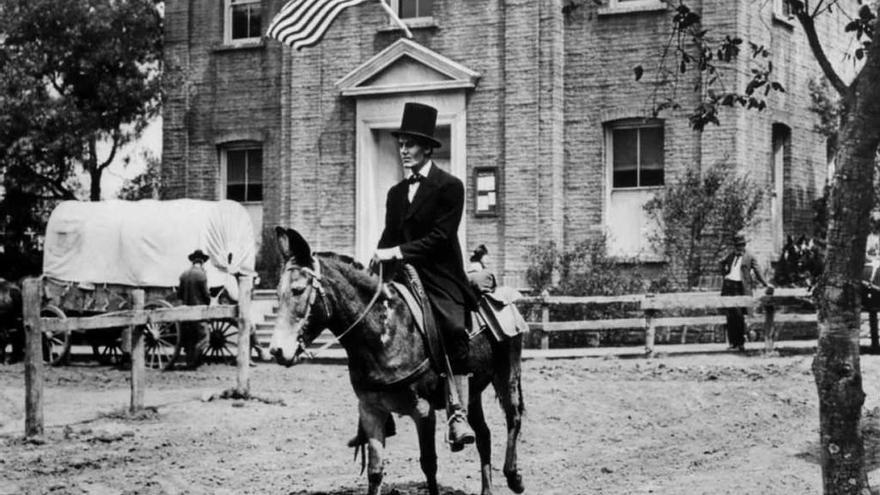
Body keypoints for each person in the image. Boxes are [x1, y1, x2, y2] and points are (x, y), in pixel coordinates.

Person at [372, 102, 477, 451]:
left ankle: (457, 412)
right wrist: (375, 260)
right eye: (401, 143)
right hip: (404, 275)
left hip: (440, 273)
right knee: (375, 323)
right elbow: (389, 237)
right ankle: (381, 403)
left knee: (450, 328)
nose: (404, 150)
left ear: (428, 147)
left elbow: (440, 237)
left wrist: (399, 252)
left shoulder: (450, 186)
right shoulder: (395, 193)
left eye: (411, 144)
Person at [719, 233, 771, 351]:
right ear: (735, 246)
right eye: (737, 246)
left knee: (739, 315)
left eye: (741, 245)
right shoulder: (730, 256)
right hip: (729, 286)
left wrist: (765, 283)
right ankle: (733, 343)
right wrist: (725, 272)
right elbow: (722, 264)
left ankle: (740, 343)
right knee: (730, 316)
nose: (740, 248)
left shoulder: (750, 256)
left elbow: (757, 270)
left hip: (740, 287)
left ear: (745, 245)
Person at [178, 249, 211, 369]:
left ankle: (189, 361)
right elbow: (206, 296)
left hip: (186, 312)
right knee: (204, 338)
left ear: (193, 261)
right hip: (199, 312)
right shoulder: (202, 275)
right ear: (202, 261)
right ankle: (195, 361)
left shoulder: (183, 275)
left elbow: (180, 295)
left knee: (189, 338)